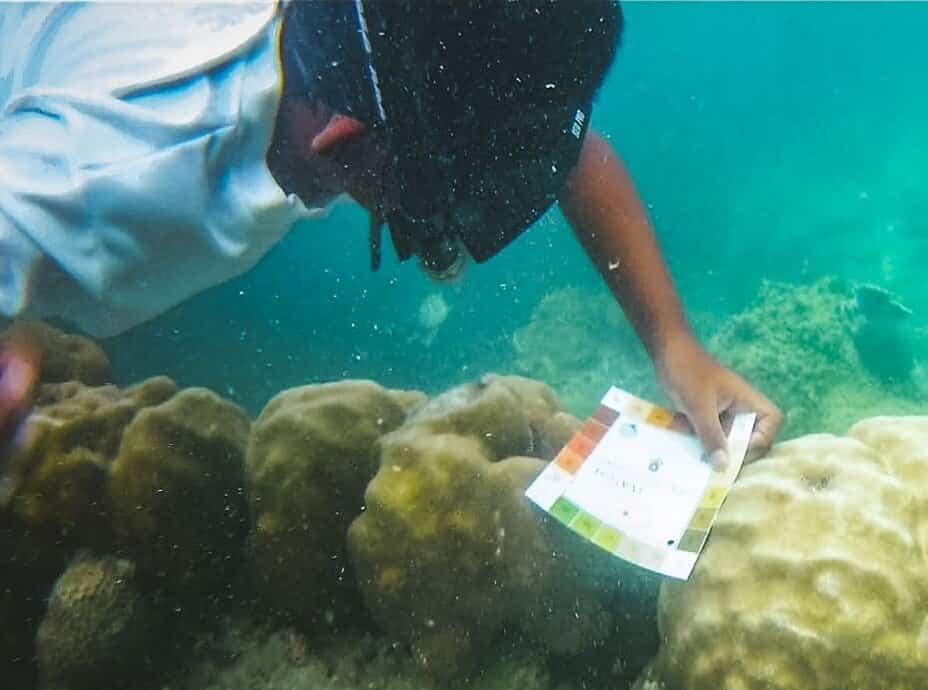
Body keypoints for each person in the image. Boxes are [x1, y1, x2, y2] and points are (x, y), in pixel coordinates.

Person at [0, 1, 782, 465]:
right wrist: (26, 306)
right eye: (445, 196)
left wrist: (673, 342)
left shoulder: (370, 52)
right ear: (344, 145)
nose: (453, 219)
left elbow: (571, 151)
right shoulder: (112, 179)